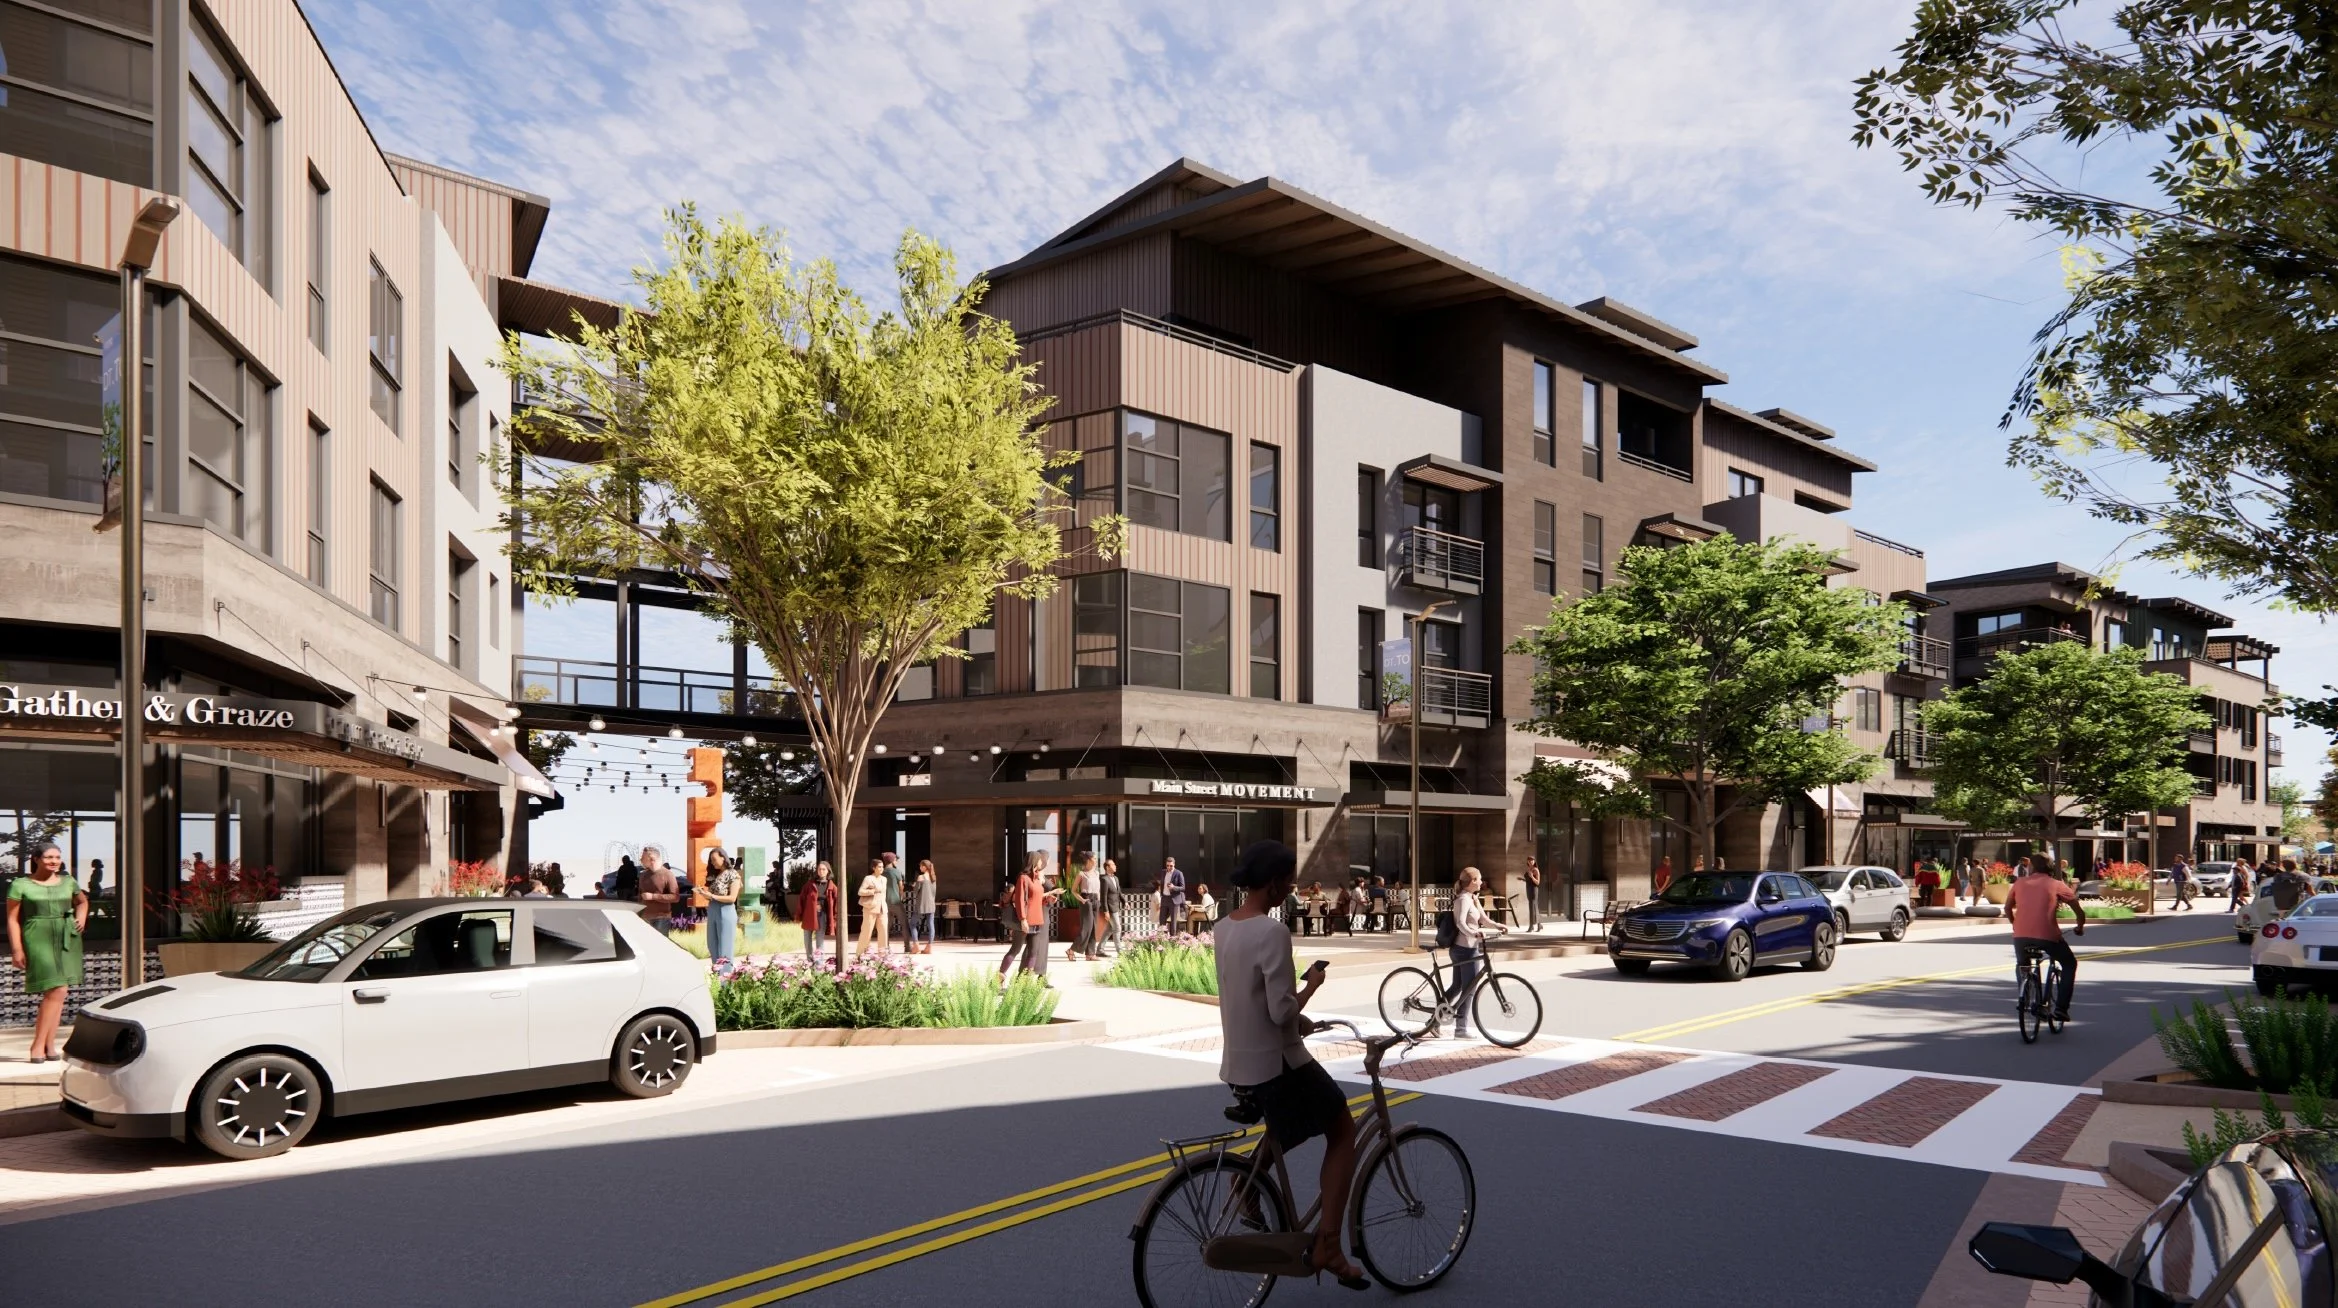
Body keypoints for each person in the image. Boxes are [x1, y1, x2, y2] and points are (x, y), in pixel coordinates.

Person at [1214, 839, 1364, 1288]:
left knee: (1287, 1125)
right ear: (1276, 883)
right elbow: (1280, 1013)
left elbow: (1254, 1000)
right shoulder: (1272, 931)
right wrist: (1311, 986)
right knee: (1342, 1130)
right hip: (1279, 1062)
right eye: (1289, 879)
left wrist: (1296, 1016)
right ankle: (1330, 1246)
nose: (1290, 887)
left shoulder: (1224, 927)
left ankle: (1246, 1184)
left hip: (1239, 1062)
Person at [8, 843, 87, 1063]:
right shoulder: (20, 884)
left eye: (58, 857)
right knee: (57, 989)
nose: (54, 861)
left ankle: (49, 1044)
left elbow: (82, 902)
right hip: (37, 937)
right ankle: (37, 1045)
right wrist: (17, 949)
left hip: (67, 937)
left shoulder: (68, 881)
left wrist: (81, 918)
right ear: (36, 859)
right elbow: (12, 919)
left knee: (60, 992)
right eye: (49, 857)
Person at [2007, 852, 2084, 1022]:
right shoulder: (2056, 884)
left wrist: (2015, 924)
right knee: (2069, 963)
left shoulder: (2019, 883)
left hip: (2020, 936)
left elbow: (2007, 908)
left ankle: (2025, 998)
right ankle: (2061, 1009)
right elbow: (2078, 910)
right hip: (2048, 935)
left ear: (2031, 867)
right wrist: (2079, 926)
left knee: (2022, 965)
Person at [1444, 866, 1505, 1039]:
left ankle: (1435, 1018)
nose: (1482, 882)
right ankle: (1461, 1029)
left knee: (1457, 986)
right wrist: (1474, 933)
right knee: (1469, 989)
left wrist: (1497, 926)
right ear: (1472, 882)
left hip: (1468, 947)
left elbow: (1484, 919)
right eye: (1479, 879)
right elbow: (1461, 923)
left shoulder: (1473, 898)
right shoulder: (1463, 899)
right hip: (1464, 949)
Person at [999, 851, 1058, 986]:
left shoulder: (1037, 879)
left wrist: (1048, 899)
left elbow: (1037, 899)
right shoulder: (1023, 878)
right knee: (1015, 950)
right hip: (1025, 921)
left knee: (1033, 952)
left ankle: (1024, 983)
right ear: (1033, 861)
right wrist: (1023, 919)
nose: (1041, 862)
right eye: (1039, 860)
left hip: (1038, 920)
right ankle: (998, 979)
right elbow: (1020, 900)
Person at [703, 849, 741, 967]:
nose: (712, 862)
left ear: (723, 857)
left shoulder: (733, 874)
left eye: (714, 859)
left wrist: (712, 896)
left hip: (726, 911)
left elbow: (732, 898)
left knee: (725, 948)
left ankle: (725, 979)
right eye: (711, 860)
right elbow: (712, 895)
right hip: (713, 910)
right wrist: (705, 895)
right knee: (712, 945)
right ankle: (717, 975)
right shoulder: (716, 875)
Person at [797, 862, 838, 961]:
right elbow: (801, 899)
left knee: (820, 940)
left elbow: (837, 902)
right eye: (819, 869)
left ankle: (819, 965)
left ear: (828, 871)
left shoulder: (832, 886)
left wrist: (835, 917)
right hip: (809, 915)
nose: (821, 871)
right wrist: (799, 914)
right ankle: (809, 962)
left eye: (824, 869)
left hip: (822, 915)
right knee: (807, 939)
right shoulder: (810, 884)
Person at [637, 848, 681, 933]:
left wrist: (653, 896)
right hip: (644, 918)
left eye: (643, 857)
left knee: (660, 945)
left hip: (661, 918)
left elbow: (675, 897)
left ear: (652, 859)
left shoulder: (668, 874)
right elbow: (640, 896)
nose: (640, 860)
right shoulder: (643, 875)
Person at [1072, 851, 1102, 961]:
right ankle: (1072, 950)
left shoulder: (1097, 873)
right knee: (1086, 928)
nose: (1096, 860)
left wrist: (1098, 900)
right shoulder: (1081, 874)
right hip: (1086, 899)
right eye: (1094, 858)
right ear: (1089, 860)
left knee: (1094, 927)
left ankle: (1090, 954)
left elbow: (1098, 889)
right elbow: (1073, 890)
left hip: (1096, 901)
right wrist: (1083, 900)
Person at [855, 858, 889, 956]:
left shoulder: (884, 879)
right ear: (874, 868)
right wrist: (872, 891)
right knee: (867, 931)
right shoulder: (868, 878)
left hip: (882, 908)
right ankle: (860, 955)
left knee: (883, 932)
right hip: (870, 908)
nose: (881, 868)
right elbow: (860, 891)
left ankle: (883, 956)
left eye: (882, 867)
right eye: (879, 867)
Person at [908, 859, 938, 955]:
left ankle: (916, 946)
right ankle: (929, 947)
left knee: (912, 924)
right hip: (931, 904)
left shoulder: (921, 877)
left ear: (925, 867)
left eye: (921, 866)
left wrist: (915, 885)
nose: (920, 868)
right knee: (931, 925)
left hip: (921, 905)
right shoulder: (933, 878)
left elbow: (916, 891)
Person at [1096, 858, 1124, 958]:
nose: (1115, 866)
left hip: (1116, 908)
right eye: (1113, 865)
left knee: (1109, 930)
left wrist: (1125, 902)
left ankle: (1099, 950)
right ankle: (1120, 951)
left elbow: (1119, 892)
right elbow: (1103, 897)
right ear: (1107, 867)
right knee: (1117, 928)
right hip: (1110, 909)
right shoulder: (1104, 879)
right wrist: (1106, 911)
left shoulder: (1115, 878)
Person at [880, 851, 906, 952]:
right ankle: (907, 947)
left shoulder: (881, 872)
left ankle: (886, 947)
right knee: (904, 924)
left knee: (886, 926)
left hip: (885, 902)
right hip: (896, 901)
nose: (897, 861)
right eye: (895, 859)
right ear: (891, 860)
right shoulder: (897, 872)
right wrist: (902, 896)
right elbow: (900, 887)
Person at [1159, 857, 1187, 931]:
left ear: (1174, 864)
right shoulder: (1163, 872)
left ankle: (1172, 939)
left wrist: (1173, 887)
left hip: (1173, 899)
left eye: (1171, 865)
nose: (1169, 867)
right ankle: (1162, 938)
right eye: (1167, 865)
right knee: (1162, 920)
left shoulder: (1179, 873)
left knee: (1173, 921)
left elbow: (1183, 887)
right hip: (1164, 898)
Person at [1522, 855, 1543, 933]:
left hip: (1534, 890)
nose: (1531, 862)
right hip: (1528, 889)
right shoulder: (1529, 869)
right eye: (1529, 860)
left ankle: (1531, 926)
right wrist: (1522, 879)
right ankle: (1539, 925)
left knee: (1532, 908)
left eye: (1532, 860)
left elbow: (1537, 882)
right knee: (1534, 908)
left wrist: (1532, 877)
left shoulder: (1535, 870)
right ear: (1527, 861)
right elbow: (1529, 881)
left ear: (1534, 861)